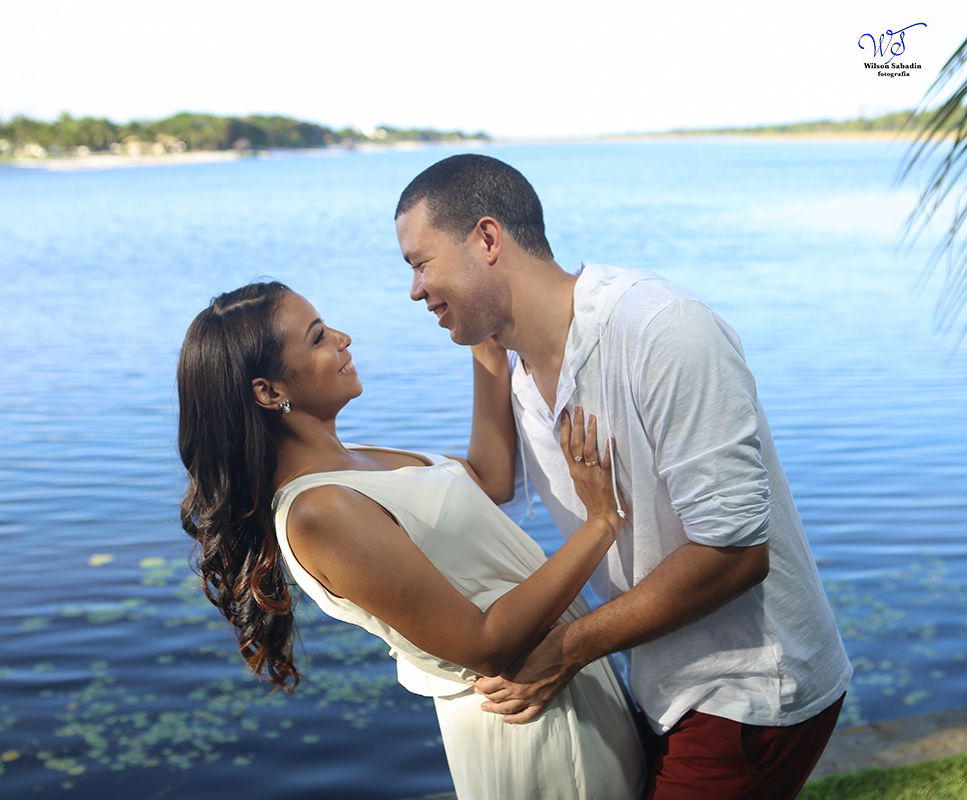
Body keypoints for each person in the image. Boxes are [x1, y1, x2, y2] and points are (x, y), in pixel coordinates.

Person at [395, 154, 853, 800]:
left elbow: (736, 556)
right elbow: (494, 480)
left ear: (487, 239)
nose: (414, 290)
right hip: (659, 681)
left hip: (749, 689)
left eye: (420, 263)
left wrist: (565, 649)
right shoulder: (518, 363)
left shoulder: (660, 330)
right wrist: (483, 333)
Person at [176, 281, 646, 800]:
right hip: (533, 724)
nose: (343, 338)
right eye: (317, 338)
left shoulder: (353, 457)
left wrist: (484, 346)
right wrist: (601, 521)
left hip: (568, 688)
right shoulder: (318, 510)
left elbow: (489, 478)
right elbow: (485, 644)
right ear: (269, 392)